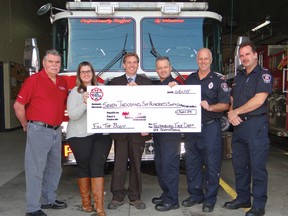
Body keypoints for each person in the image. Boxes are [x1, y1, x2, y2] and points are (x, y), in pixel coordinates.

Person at [13, 49, 68, 216]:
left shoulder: (62, 82)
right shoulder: (33, 80)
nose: (54, 65)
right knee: (35, 170)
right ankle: (32, 208)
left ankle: (48, 199)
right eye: (51, 62)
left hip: (56, 131)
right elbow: (18, 106)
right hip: (38, 129)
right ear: (44, 63)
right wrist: (25, 125)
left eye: (57, 62)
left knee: (54, 168)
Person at [224, 41, 273, 216]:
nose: (244, 58)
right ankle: (243, 198)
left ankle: (259, 205)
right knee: (240, 166)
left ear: (255, 55)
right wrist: (231, 113)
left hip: (256, 126)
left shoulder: (263, 75)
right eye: (241, 55)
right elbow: (231, 100)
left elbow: (259, 100)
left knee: (257, 167)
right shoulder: (238, 77)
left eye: (247, 54)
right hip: (239, 127)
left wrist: (235, 111)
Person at [183, 48, 230, 212]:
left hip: (210, 128)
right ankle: (196, 194)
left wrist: (210, 107)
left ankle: (210, 199)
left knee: (212, 164)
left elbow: (225, 104)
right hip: (192, 130)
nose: (203, 62)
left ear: (211, 60)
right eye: (200, 59)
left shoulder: (218, 80)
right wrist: (173, 88)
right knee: (192, 164)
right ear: (197, 60)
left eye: (206, 59)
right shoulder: (190, 79)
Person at [66, 61, 112, 216]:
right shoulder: (75, 92)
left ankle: (99, 207)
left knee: (98, 166)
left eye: (88, 71)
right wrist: (86, 102)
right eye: (82, 72)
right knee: (84, 166)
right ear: (79, 75)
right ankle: (86, 204)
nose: (86, 74)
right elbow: (72, 115)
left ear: (93, 73)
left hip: (102, 135)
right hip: (80, 135)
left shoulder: (103, 89)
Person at [107, 52, 153, 210]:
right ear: (123, 65)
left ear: (138, 64)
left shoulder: (146, 83)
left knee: (136, 165)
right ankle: (117, 196)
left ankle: (135, 196)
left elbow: (151, 105)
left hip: (138, 132)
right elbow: (110, 104)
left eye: (135, 62)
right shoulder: (114, 82)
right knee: (118, 164)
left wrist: (148, 125)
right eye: (129, 62)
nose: (132, 65)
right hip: (120, 132)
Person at [152, 56, 182, 211]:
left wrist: (177, 88)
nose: (163, 70)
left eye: (165, 67)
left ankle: (172, 200)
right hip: (158, 133)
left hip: (170, 134)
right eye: (159, 68)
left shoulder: (175, 85)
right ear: (156, 70)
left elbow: (184, 97)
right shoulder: (158, 85)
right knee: (160, 164)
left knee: (169, 166)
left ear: (171, 68)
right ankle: (166, 194)